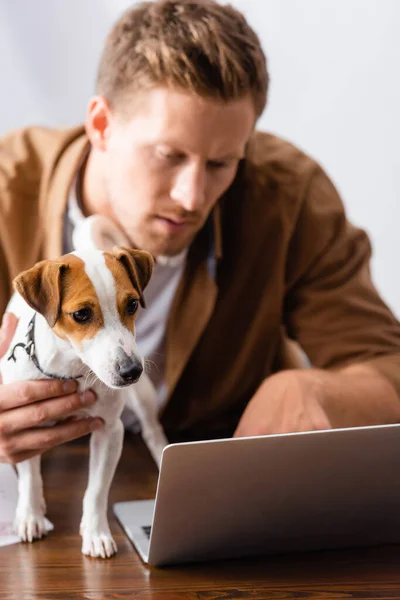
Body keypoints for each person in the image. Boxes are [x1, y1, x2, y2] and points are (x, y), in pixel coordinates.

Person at [1, 0, 400, 465]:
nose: (193, 197)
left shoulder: (288, 198)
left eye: (221, 163)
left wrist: (320, 392)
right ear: (102, 125)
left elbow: (387, 367)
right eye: (169, 155)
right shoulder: (8, 190)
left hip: (219, 496)